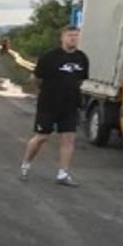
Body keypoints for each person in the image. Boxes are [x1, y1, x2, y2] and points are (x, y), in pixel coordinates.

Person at [20, 26, 89, 187]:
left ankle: (62, 173)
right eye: (70, 35)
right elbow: (36, 78)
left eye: (76, 35)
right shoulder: (50, 57)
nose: (73, 38)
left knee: (68, 138)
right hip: (48, 104)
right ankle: (26, 164)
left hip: (70, 105)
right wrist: (46, 91)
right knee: (42, 137)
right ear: (62, 37)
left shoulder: (82, 58)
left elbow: (80, 80)